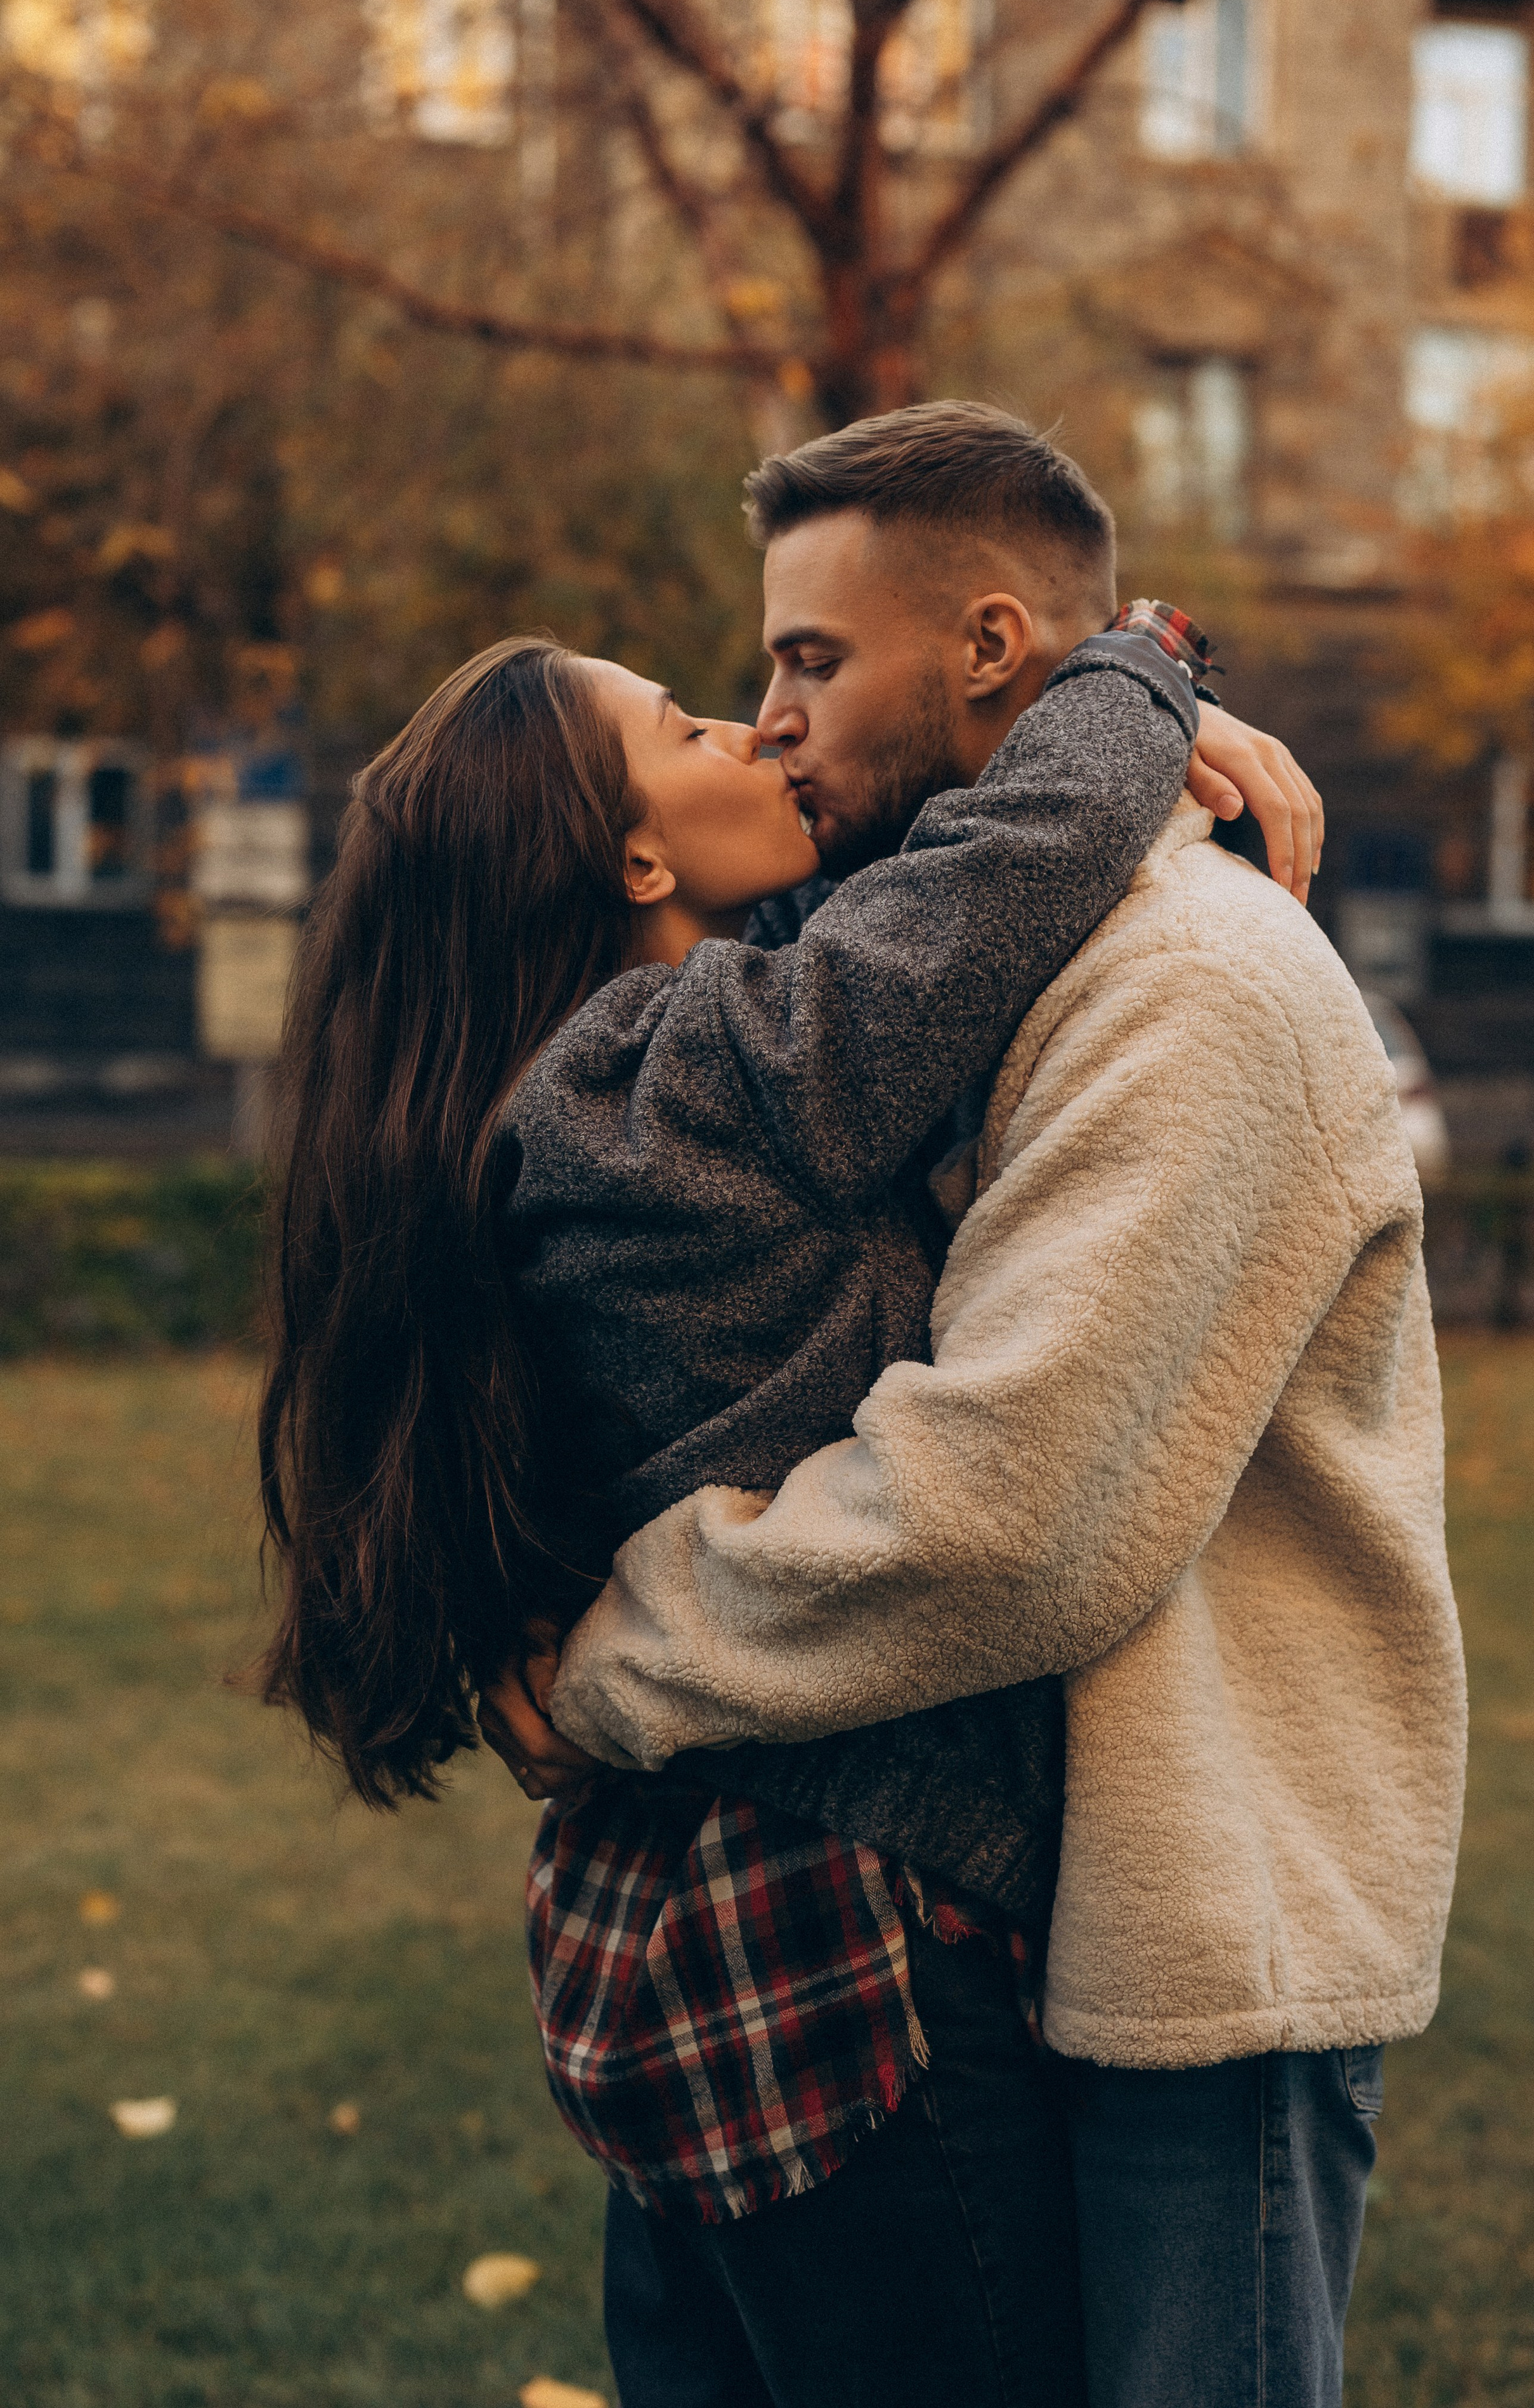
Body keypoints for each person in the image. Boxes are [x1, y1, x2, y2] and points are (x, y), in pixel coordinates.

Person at [259, 403, 1318, 2407]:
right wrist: (1146, 664)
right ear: (639, 853)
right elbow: (980, 894)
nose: (758, 729)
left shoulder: (578, 1093)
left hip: (672, 1926)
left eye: (779, 678)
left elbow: (936, 890)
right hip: (835, 1930)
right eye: (691, 724)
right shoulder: (673, 1075)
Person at [500, 406, 1470, 2408]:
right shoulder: (955, 946)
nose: (768, 722)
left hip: (1204, 1930)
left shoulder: (1191, 983)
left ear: (993, 649)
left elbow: (1004, 1517)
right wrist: (1150, 716)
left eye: (807, 662)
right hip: (1038, 1905)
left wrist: (603, 1665)